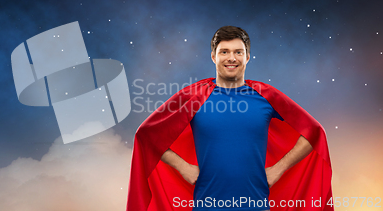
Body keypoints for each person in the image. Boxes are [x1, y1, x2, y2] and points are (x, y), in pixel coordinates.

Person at [126, 26, 333, 211]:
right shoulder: (194, 96)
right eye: (224, 52)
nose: (231, 58)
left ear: (248, 57)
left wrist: (278, 169)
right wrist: (183, 167)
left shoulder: (266, 96)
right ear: (213, 57)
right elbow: (147, 135)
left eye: (238, 52)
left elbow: (314, 132)